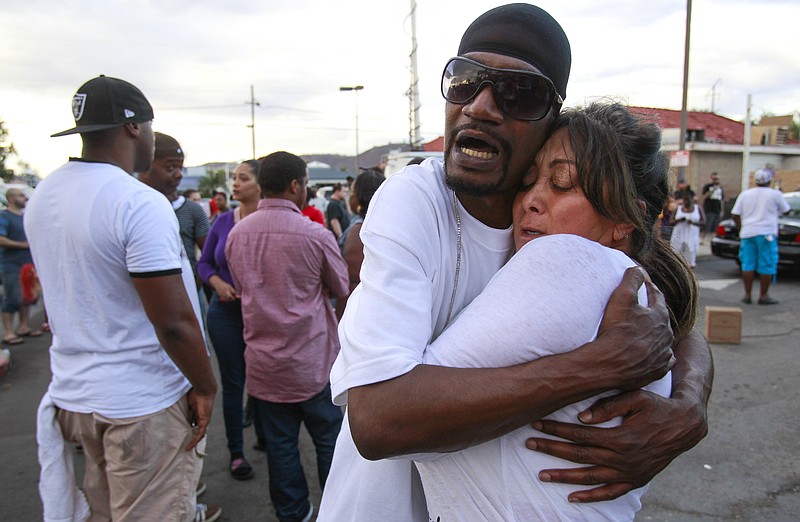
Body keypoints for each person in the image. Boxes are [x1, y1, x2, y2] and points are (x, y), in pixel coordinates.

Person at [319, 5, 712, 521]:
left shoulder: (559, 235)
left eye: (518, 92)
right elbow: (377, 421)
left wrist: (689, 404)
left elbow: (669, 311)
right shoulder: (417, 199)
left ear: (549, 121)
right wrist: (595, 367)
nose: (480, 106)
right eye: (463, 81)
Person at [414, 102, 698, 520]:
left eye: (562, 184)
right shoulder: (632, 283)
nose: (531, 200)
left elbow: (402, 422)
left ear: (626, 219)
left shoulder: (563, 260)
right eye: (528, 181)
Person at [27, 75, 219, 521]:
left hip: (76, 396)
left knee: (104, 512)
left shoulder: (45, 195)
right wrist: (205, 385)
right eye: (150, 126)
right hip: (140, 401)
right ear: (134, 127)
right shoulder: (136, 201)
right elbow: (172, 321)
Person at [226, 151, 349, 522]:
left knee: (280, 450)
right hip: (313, 363)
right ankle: (337, 510)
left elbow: (241, 285)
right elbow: (341, 287)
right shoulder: (315, 235)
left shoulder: (237, 235)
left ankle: (292, 514)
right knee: (330, 443)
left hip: (265, 367)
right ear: (296, 185)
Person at [198, 160, 261, 480]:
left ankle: (265, 434)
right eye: (234, 178)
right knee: (233, 383)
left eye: (243, 178)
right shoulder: (222, 221)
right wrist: (218, 284)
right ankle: (236, 452)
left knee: (263, 379)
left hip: (262, 315)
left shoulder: (271, 222)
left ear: (261, 185)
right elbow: (205, 263)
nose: (235, 184)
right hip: (225, 314)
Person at [139, 133, 210, 290]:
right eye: (170, 168)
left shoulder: (193, 210)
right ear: (145, 167)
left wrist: (196, 283)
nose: (178, 174)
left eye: (180, 167)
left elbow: (208, 254)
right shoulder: (135, 210)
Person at [731, 168, 790, 304]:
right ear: (769, 181)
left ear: (755, 181)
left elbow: (735, 214)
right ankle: (763, 296)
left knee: (747, 264)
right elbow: (786, 210)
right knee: (767, 265)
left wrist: (742, 228)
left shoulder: (745, 194)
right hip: (766, 233)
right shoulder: (775, 194)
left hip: (748, 233)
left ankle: (747, 295)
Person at [334, 169, 385, 319]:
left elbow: (352, 279)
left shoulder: (359, 231)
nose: (349, 196)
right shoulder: (385, 225)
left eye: (352, 191)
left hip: (357, 310)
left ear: (360, 196)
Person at [0, 188, 41, 345]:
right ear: (11, 199)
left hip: (27, 264)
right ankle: (9, 332)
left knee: (27, 297)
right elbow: (1, 239)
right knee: (12, 298)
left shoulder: (25, 217)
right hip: (10, 264)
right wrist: (22, 245)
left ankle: (23, 326)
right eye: (21, 195)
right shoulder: (4, 217)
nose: (25, 198)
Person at [670, 192, 703, 268]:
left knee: (691, 256)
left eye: (688, 200)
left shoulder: (698, 208)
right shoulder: (678, 209)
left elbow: (703, 222)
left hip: (691, 235)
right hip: (679, 234)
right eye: (685, 200)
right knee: (676, 253)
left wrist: (693, 223)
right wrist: (679, 220)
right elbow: (671, 222)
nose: (686, 202)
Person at [701, 172, 724, 243]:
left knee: (715, 226)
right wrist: (712, 190)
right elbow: (704, 196)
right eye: (714, 179)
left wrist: (722, 210)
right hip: (709, 208)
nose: (715, 180)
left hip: (717, 209)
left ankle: (713, 240)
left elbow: (722, 200)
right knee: (707, 224)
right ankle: (702, 239)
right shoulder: (707, 186)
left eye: (717, 179)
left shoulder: (720, 188)